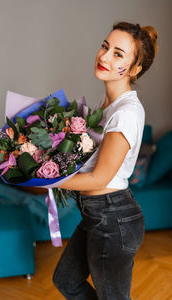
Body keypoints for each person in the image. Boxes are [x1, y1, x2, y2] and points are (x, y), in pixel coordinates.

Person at [53, 21, 158, 300]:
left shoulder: (126, 113)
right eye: (105, 46)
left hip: (114, 219)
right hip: (95, 214)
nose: (104, 56)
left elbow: (100, 177)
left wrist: (50, 180)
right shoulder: (106, 104)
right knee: (66, 280)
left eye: (118, 54)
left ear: (135, 69)